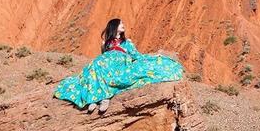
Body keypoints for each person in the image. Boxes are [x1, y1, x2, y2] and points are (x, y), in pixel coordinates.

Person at [53, 18, 184, 113]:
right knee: (96, 65)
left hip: (120, 63)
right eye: (121, 24)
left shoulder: (127, 42)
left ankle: (104, 98)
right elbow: (104, 54)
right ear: (114, 26)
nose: (123, 25)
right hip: (105, 61)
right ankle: (93, 99)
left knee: (114, 73)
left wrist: (154, 58)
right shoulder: (105, 43)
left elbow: (136, 56)